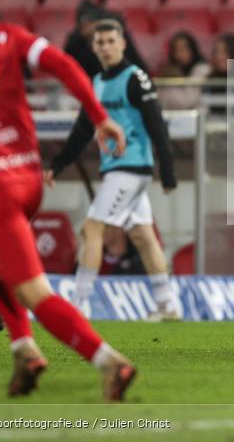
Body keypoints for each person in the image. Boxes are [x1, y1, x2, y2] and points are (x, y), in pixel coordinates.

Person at [0, 0, 135, 400]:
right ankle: (23, 349)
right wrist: (100, 117)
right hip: (27, 177)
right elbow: (63, 64)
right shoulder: (4, 34)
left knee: (34, 292)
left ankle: (109, 362)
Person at [46, 19, 180, 322]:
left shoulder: (136, 78)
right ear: (94, 47)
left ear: (122, 43)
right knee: (143, 236)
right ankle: (168, 305)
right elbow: (83, 128)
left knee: (91, 229)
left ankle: (79, 304)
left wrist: (168, 169)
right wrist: (58, 163)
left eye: (110, 41)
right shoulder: (96, 82)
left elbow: (157, 125)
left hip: (130, 167)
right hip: (117, 168)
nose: (105, 47)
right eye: (100, 42)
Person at [63, 0, 151, 79]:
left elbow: (135, 64)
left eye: (89, 24)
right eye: (82, 26)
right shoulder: (75, 43)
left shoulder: (115, 34)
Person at [158, 30, 210, 110]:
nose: (179, 54)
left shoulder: (202, 70)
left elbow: (188, 101)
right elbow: (161, 102)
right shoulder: (168, 72)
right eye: (176, 50)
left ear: (192, 50)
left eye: (183, 49)